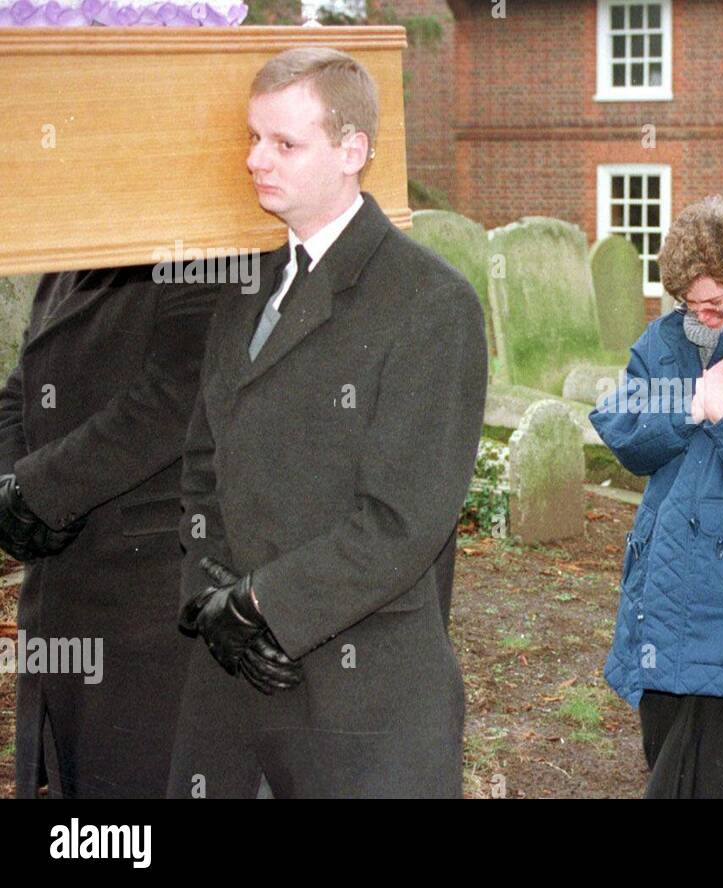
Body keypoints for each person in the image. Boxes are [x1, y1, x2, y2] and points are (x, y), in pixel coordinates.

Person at [167, 47, 487, 798]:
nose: (254, 161)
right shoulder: (244, 292)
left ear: (352, 151)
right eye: (253, 138)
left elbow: (402, 520)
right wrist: (210, 602)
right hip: (233, 680)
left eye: (284, 143)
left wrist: (261, 607)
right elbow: (201, 470)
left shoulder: (429, 302)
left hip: (363, 697)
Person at [591, 196, 723, 798]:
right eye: (691, 304)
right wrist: (690, 408)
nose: (704, 317)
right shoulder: (662, 341)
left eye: (717, 303)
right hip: (661, 582)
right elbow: (624, 430)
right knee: (664, 752)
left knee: (721, 778)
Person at [0, 266, 219, 797]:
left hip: (143, 604)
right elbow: (18, 390)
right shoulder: (72, 254)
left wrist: (38, 492)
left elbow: (175, 394)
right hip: (58, 596)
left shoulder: (203, 242)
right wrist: (7, 489)